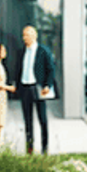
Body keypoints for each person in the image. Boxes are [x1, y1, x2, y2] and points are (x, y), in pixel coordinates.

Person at [12, 25, 56, 154]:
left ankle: (44, 148)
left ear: (34, 36)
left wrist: (47, 85)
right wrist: (17, 86)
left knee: (42, 119)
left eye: (27, 35)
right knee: (27, 120)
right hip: (25, 88)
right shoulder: (21, 52)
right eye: (23, 35)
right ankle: (29, 149)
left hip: (38, 88)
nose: (24, 37)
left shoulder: (43, 51)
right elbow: (17, 70)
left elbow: (51, 69)